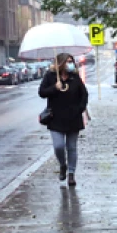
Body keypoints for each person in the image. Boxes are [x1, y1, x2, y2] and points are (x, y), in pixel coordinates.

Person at [38, 52, 89, 187]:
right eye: (67, 61)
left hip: (73, 118)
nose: (71, 64)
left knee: (72, 147)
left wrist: (80, 108)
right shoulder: (50, 77)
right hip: (55, 118)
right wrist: (54, 88)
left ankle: (71, 174)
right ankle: (63, 165)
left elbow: (83, 95)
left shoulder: (74, 77)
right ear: (60, 63)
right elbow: (42, 93)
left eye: (71, 61)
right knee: (59, 146)